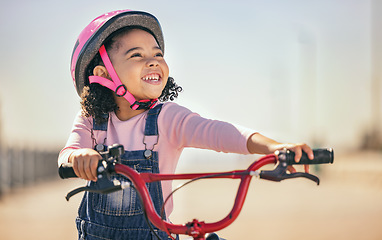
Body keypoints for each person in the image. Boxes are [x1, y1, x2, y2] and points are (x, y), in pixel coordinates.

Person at [58, 9, 314, 240]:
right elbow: (67, 155)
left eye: (158, 54)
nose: (153, 60)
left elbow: (219, 132)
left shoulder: (167, 118)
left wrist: (274, 147)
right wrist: (80, 156)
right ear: (103, 73)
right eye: (136, 55)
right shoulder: (92, 121)